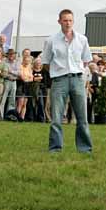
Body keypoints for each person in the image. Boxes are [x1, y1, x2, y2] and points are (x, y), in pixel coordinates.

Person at [41, 9, 93, 153]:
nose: (68, 23)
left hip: (77, 79)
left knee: (82, 116)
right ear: (59, 21)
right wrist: (57, 71)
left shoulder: (82, 39)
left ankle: (85, 149)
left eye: (70, 20)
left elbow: (86, 59)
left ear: (73, 21)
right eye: (65, 20)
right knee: (56, 116)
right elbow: (45, 62)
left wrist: (80, 72)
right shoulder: (51, 40)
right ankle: (55, 148)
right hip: (59, 80)